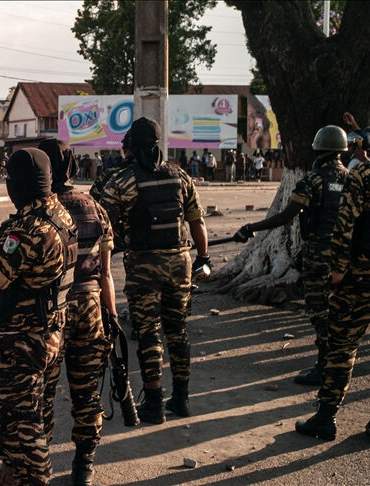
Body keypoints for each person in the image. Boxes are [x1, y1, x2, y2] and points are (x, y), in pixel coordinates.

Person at [0, 148, 76, 486]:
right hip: (52, 332)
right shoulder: (62, 216)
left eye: (9, 179)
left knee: (20, 423)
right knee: (37, 414)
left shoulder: (28, 229)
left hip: (21, 342)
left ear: (20, 183)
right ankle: (11, 477)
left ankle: (33, 479)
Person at [100, 117, 208, 424]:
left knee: (148, 333)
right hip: (180, 263)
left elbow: (106, 228)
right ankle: (182, 399)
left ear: (131, 147)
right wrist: (204, 257)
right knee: (178, 330)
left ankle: (154, 403)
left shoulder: (123, 181)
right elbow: (197, 222)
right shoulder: (180, 176)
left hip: (144, 266)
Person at [296, 113, 370, 445]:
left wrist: (337, 271)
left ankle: (326, 417)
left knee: (341, 348)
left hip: (362, 278)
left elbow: (344, 226)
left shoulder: (364, 173)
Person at [235, 125, 349, 385]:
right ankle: (340, 363)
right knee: (342, 311)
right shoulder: (352, 178)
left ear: (318, 151)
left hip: (319, 253)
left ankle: (326, 367)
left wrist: (251, 228)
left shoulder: (313, 180)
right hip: (346, 254)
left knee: (319, 311)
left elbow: (287, 216)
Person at [38, 139, 115, 485]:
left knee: (43, 394)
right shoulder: (94, 207)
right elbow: (106, 274)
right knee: (86, 393)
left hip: (52, 313)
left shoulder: (41, 209)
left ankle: (39, 467)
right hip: (91, 306)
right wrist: (110, 316)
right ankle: (84, 465)